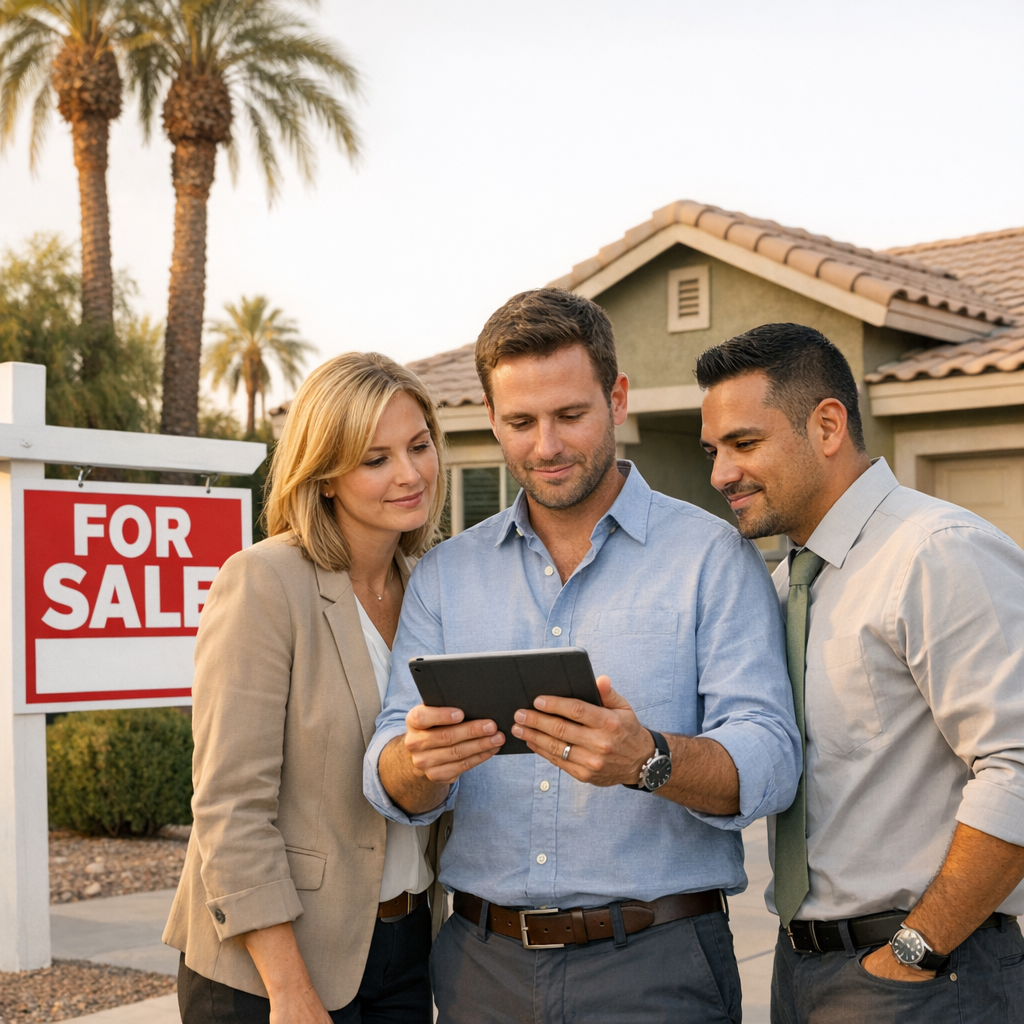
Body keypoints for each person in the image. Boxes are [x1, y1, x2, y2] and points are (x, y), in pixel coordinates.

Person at [362, 288, 802, 1024]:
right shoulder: (443, 574)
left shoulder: (712, 557)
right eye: (521, 422)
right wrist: (417, 762)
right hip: (480, 972)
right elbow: (388, 769)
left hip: (658, 970)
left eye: (570, 415)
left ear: (617, 398)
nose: (546, 446)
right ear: (491, 416)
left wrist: (648, 759)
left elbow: (772, 757)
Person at [697, 322, 1024, 1024]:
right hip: (801, 970)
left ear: (827, 426)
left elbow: (1019, 767)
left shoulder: (937, 552)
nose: (721, 474)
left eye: (744, 444)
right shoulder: (783, 589)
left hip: (929, 975)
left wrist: (914, 951)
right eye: (713, 450)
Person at [163, 352, 450, 1024]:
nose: (410, 474)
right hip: (269, 968)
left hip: (407, 950)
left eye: (419, 446)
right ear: (323, 477)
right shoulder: (265, 582)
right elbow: (230, 805)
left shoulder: (430, 590)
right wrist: (289, 988)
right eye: (375, 459)